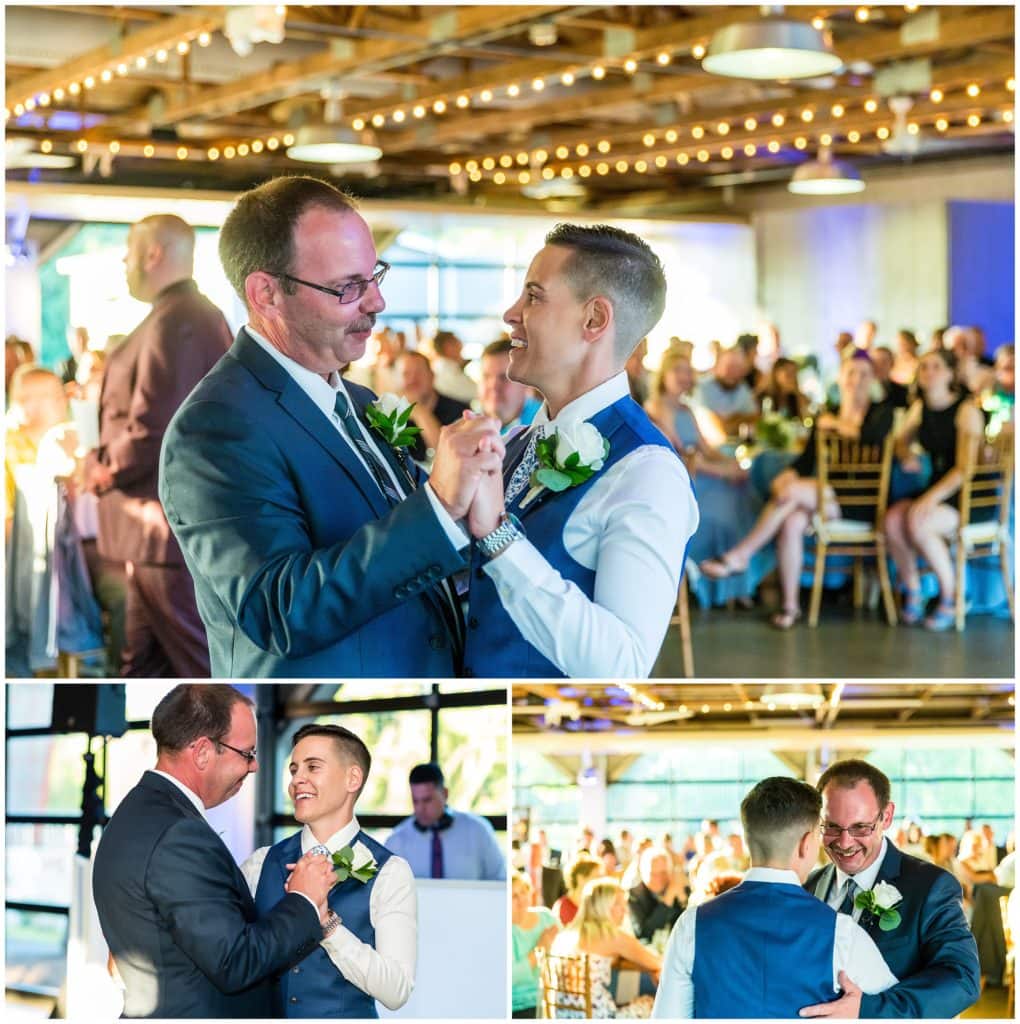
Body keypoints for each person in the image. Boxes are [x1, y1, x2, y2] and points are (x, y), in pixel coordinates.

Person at [159, 175, 504, 677]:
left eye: (375, 276)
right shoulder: (216, 427)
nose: (376, 303)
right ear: (266, 294)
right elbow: (281, 610)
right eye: (348, 287)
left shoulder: (360, 401)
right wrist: (439, 506)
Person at [461, 224, 698, 678]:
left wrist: (497, 536)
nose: (511, 314)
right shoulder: (517, 441)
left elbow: (623, 664)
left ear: (594, 320)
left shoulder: (647, 472)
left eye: (533, 296)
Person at [92, 684, 335, 1018]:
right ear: (203, 751)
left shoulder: (133, 814)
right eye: (247, 754)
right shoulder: (179, 833)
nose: (254, 767)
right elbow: (233, 961)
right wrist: (303, 900)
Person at [82, 214, 230, 677]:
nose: (125, 260)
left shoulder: (181, 320)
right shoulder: (180, 316)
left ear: (153, 254)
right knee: (140, 664)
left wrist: (106, 468)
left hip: (165, 529)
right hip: (153, 536)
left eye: (129, 248)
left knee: (198, 664)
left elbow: (159, 425)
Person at [653, 776, 896, 1019]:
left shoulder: (691, 925)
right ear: (804, 845)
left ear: (749, 841)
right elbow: (897, 1011)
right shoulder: (842, 933)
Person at [701, 352, 894, 629]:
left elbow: (871, 438)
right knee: (791, 521)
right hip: (824, 497)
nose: (857, 380)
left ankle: (741, 555)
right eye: (851, 373)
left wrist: (835, 426)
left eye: (864, 374)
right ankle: (790, 607)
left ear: (872, 378)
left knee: (792, 494)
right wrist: (787, 476)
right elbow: (805, 463)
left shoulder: (881, 412)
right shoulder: (827, 415)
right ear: (842, 377)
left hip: (863, 500)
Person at [240, 723, 415, 1017]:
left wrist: (328, 925)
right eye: (294, 770)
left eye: (313, 767)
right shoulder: (260, 863)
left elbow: (396, 990)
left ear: (352, 778)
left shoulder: (390, 872)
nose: (297, 780)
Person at [801, 759, 980, 1018]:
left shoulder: (931, 887)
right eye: (831, 826)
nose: (844, 842)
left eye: (860, 827)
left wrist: (867, 1011)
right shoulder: (808, 887)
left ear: (886, 816)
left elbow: (961, 979)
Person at [884, 348, 989, 630]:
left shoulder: (966, 410)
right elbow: (899, 439)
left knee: (919, 522)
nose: (928, 372)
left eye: (936, 367)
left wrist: (930, 498)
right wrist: (905, 452)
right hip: (938, 488)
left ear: (951, 373)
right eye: (924, 367)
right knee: (893, 519)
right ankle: (914, 589)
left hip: (967, 495)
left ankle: (952, 595)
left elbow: (965, 470)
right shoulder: (920, 408)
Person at [551, 877, 661, 1018]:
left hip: (564, 1015)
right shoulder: (612, 936)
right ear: (603, 907)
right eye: (619, 905)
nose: (626, 911)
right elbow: (656, 963)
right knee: (649, 1002)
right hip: (599, 1016)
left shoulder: (568, 935)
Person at [385, 762, 505, 880]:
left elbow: (500, 879)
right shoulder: (396, 841)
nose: (420, 809)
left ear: (445, 794)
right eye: (415, 801)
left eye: (427, 800)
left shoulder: (478, 831)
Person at [394, 350, 471, 464]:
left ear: (432, 376)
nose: (412, 379)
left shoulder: (461, 412)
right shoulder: (391, 417)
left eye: (419, 373)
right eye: (406, 374)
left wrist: (420, 413)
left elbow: (452, 460)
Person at [511, 872, 558, 1018]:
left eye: (523, 892)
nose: (521, 899)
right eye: (513, 896)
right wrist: (540, 949)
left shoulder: (546, 916)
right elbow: (511, 976)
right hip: (520, 1006)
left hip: (553, 998)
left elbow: (564, 952)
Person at [693, 347, 758, 437]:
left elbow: (755, 418)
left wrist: (731, 421)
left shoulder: (742, 387)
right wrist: (739, 418)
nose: (734, 372)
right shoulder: (702, 388)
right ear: (717, 367)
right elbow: (719, 431)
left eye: (738, 368)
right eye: (729, 367)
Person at [478, 338, 540, 433]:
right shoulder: (465, 429)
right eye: (486, 376)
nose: (493, 386)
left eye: (504, 377)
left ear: (527, 383)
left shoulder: (546, 428)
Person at [629, 846, 685, 943]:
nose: (659, 879)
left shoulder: (678, 887)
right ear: (643, 873)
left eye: (663, 873)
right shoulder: (633, 896)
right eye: (653, 874)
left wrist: (683, 899)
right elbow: (644, 934)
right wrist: (668, 899)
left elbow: (687, 927)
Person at [553, 853, 602, 926]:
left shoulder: (595, 904)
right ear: (580, 878)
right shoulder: (563, 907)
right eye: (595, 877)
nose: (599, 882)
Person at [431, 329, 478, 404]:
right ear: (447, 347)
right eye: (456, 342)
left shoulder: (441, 366)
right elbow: (477, 392)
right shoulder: (447, 370)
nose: (461, 345)